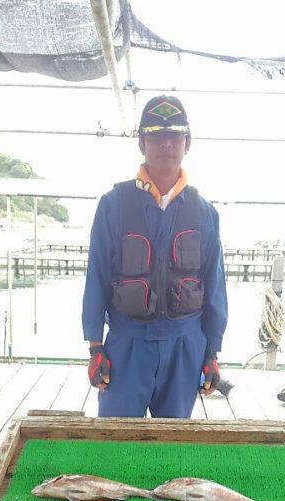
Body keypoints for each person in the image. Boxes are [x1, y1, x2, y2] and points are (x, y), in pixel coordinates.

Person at [82, 95, 227, 418]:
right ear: (141, 142)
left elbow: (214, 286)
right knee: (116, 445)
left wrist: (211, 351)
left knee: (173, 447)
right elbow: (97, 278)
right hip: (126, 346)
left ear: (187, 143)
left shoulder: (205, 213)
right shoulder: (113, 205)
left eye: (174, 135)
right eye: (156, 135)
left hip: (184, 345)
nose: (166, 144)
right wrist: (95, 346)